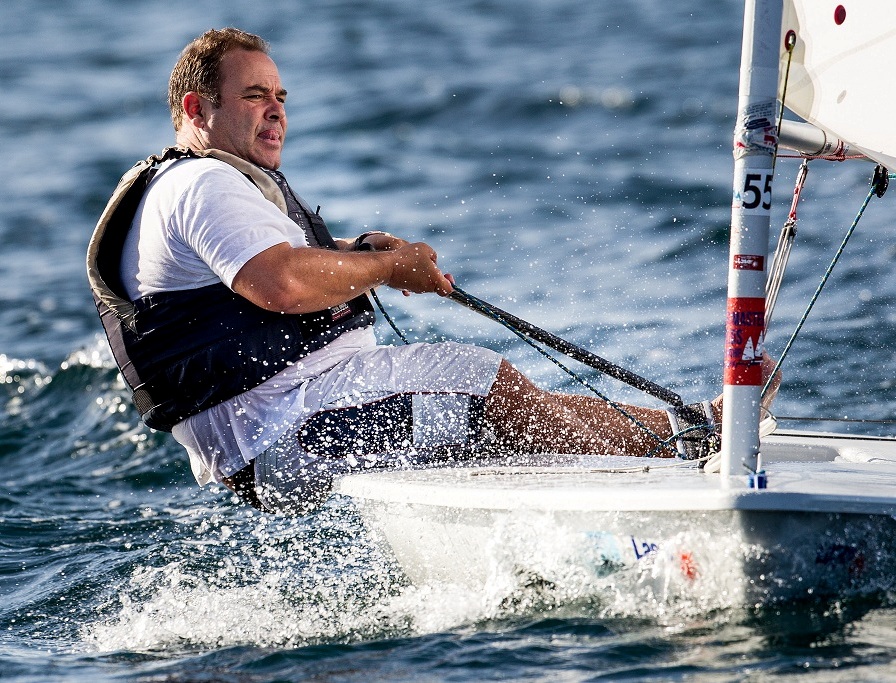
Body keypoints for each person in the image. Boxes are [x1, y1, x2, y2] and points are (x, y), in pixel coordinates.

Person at [87, 28, 776, 515]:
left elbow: (248, 284)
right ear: (195, 109)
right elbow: (280, 284)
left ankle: (682, 430)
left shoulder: (195, 184)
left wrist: (355, 251)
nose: (277, 109)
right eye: (254, 95)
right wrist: (388, 267)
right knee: (488, 388)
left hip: (293, 428)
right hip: (285, 431)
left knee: (507, 405)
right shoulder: (199, 186)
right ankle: (686, 450)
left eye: (282, 94)